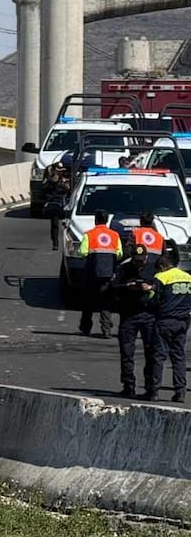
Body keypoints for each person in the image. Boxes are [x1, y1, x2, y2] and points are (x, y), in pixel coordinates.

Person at [142, 254, 191, 402]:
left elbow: (153, 300)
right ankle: (180, 392)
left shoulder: (162, 278)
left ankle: (154, 391)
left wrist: (147, 292)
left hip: (165, 320)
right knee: (178, 357)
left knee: (158, 356)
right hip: (183, 321)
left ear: (162, 267)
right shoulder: (187, 277)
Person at [112, 244, 156, 398]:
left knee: (151, 352)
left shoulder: (153, 268)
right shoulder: (124, 269)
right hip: (129, 315)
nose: (139, 264)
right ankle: (128, 385)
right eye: (137, 261)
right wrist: (127, 286)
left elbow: (160, 287)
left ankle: (151, 387)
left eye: (142, 261)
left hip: (148, 315)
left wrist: (150, 287)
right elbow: (113, 287)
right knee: (126, 352)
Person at [77, 209, 123, 338]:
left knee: (88, 302)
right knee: (106, 302)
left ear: (95, 220)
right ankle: (106, 329)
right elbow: (119, 253)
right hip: (108, 273)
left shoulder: (89, 234)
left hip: (92, 273)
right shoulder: (114, 235)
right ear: (107, 220)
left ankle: (86, 328)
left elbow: (82, 252)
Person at [43, 159, 71, 251]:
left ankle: (69, 243)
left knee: (68, 225)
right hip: (55, 203)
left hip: (66, 203)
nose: (60, 172)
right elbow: (45, 189)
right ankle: (55, 243)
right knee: (55, 224)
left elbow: (70, 189)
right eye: (58, 170)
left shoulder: (66, 178)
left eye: (61, 170)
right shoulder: (50, 179)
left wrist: (63, 183)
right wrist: (53, 181)